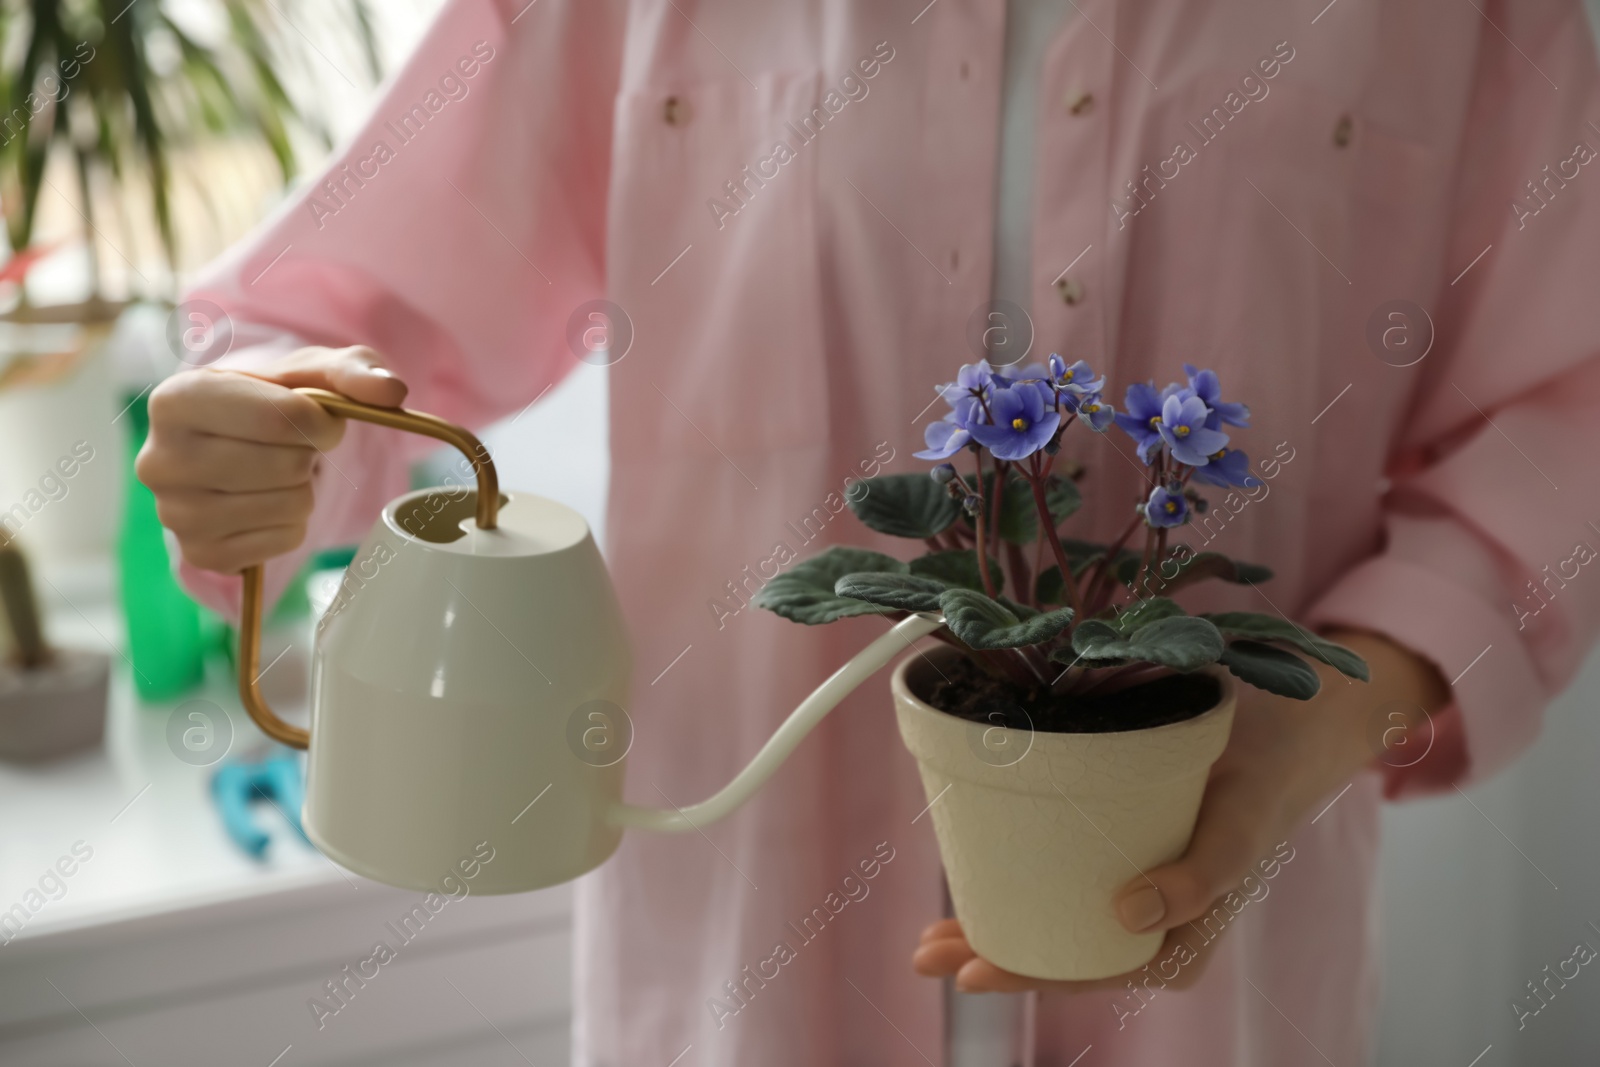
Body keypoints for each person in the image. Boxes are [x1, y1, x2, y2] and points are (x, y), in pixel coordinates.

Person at [137, 0, 1600, 1063]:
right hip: (741, 978)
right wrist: (263, 423)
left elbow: (1566, 414)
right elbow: (338, 321)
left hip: (1223, 987)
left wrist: (1323, 719)